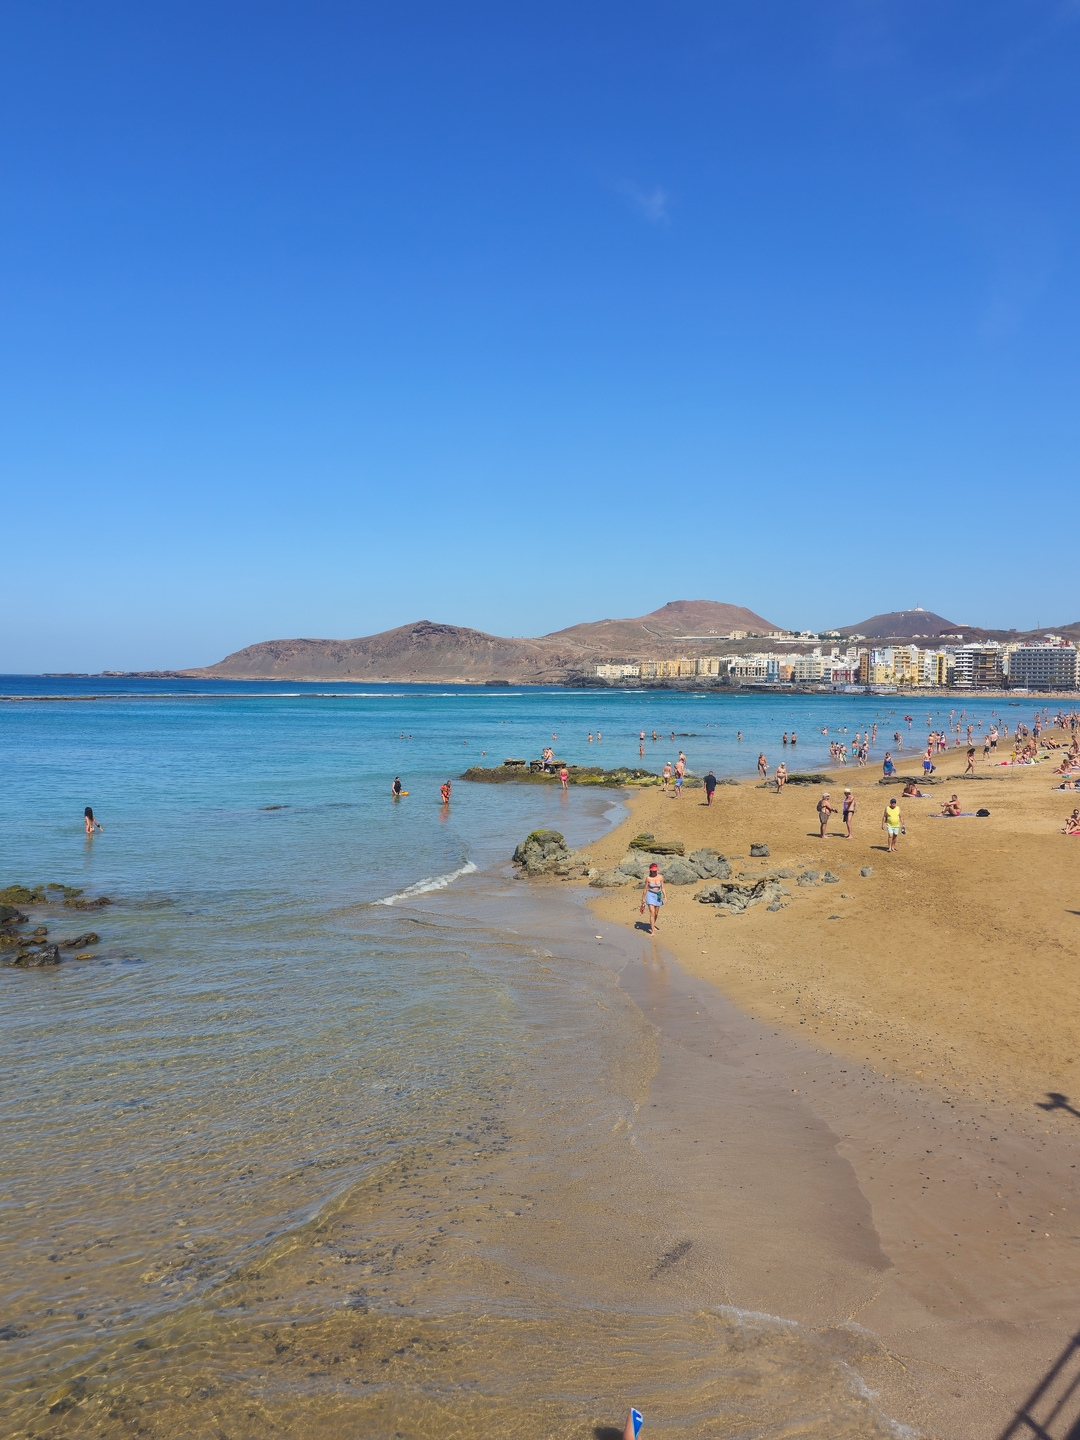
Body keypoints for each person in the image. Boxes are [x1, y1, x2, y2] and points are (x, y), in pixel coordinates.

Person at [640, 863, 666, 933]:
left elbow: (662, 887)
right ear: (650, 870)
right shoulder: (648, 878)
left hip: (658, 894)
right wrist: (643, 899)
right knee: (652, 912)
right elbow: (645, 889)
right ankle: (652, 931)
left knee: (656, 913)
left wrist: (665, 896)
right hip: (650, 895)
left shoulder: (660, 877)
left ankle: (653, 925)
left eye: (655, 871)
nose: (655, 872)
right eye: (653, 871)